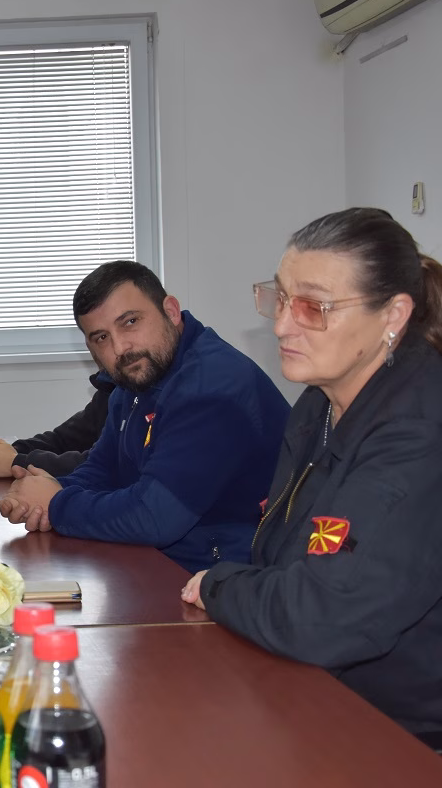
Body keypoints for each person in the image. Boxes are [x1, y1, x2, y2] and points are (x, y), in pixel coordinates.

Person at [181, 208, 442, 749]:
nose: (281, 325)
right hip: (316, 691)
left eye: (313, 307)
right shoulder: (318, 403)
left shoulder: (418, 432)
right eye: (279, 298)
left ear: (393, 314)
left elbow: (325, 616)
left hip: (405, 738)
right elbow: (289, 564)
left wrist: (217, 584)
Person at [0, 261, 289, 572]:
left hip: (232, 576)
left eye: (130, 322)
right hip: (167, 564)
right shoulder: (138, 379)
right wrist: (45, 491)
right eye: (101, 337)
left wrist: (56, 504)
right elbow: (104, 469)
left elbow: (156, 517)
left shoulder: (212, 385)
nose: (120, 348)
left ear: (171, 311)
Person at [0, 368, 114, 478]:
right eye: (98, 339)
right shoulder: (109, 387)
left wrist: (16, 461)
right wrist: (8, 451)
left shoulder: (123, 391)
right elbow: (62, 440)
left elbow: (100, 465)